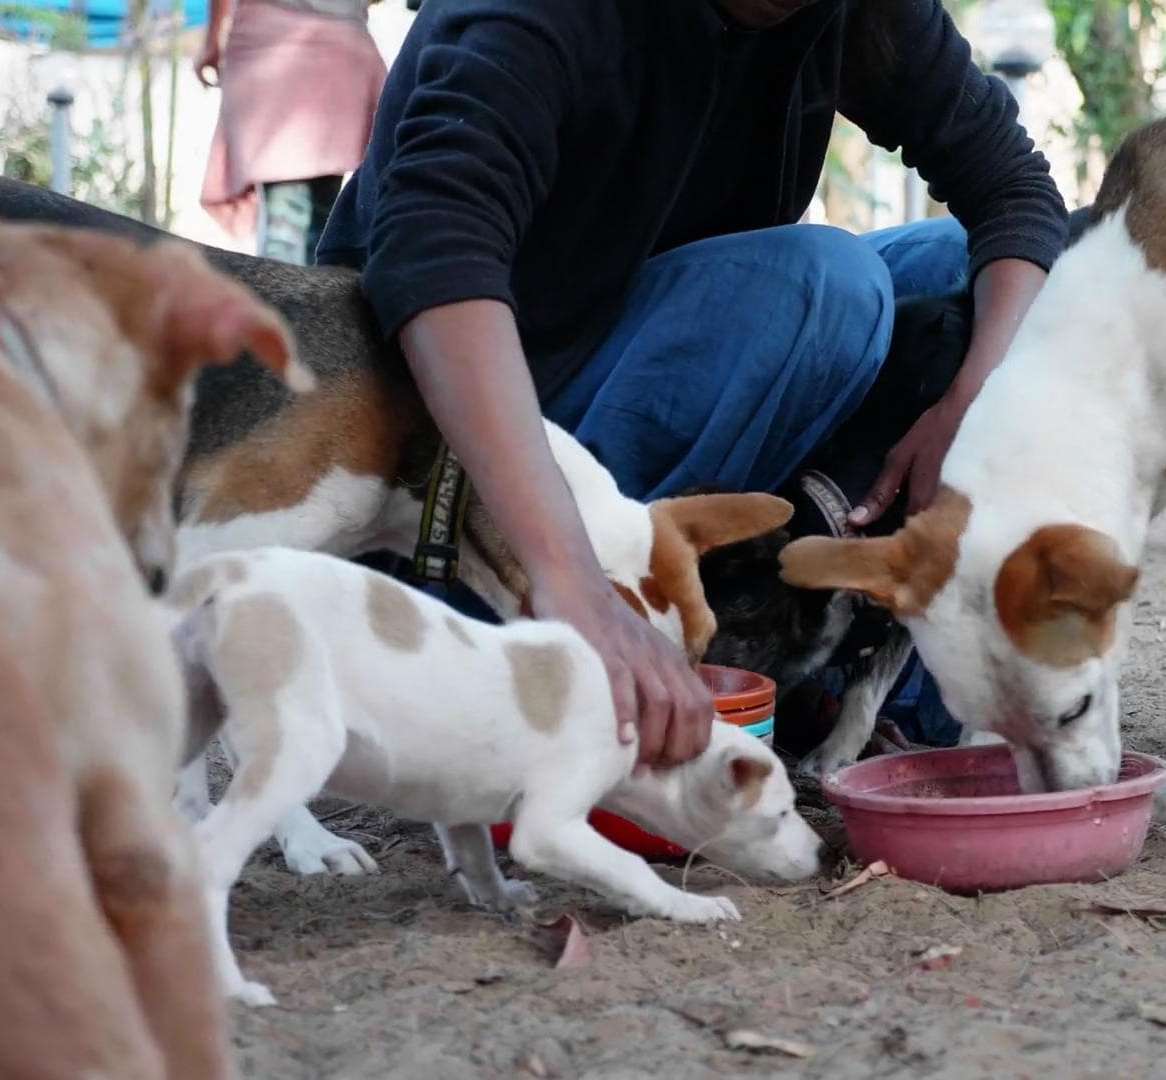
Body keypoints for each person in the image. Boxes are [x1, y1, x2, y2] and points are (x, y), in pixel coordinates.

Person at [314, 0, 1069, 770]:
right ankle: (566, 630)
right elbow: (431, 253)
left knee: (962, 271)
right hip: (444, 453)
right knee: (826, 292)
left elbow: (1014, 189)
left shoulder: (856, 12)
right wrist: (567, 578)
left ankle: (855, 677)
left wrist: (976, 405)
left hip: (642, 332)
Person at [195, 0, 387, 263]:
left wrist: (211, 43)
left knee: (287, 221)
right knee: (322, 214)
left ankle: (285, 298)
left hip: (272, 48)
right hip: (341, 53)